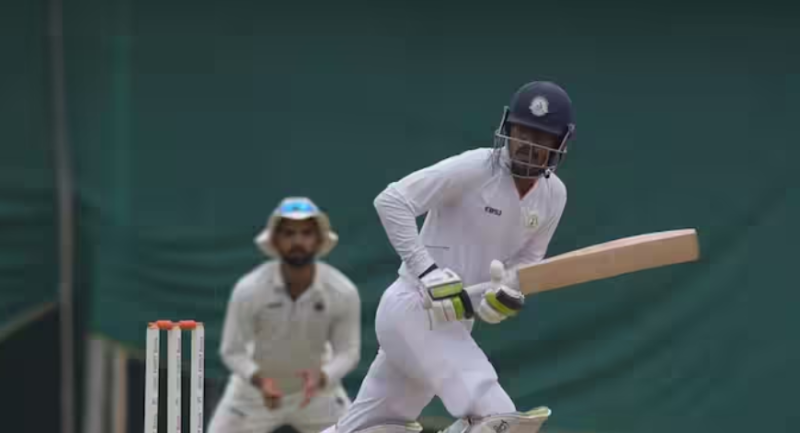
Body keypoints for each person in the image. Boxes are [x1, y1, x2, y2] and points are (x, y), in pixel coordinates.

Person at [325, 81, 577, 433]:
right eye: (523, 132)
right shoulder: (476, 168)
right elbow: (392, 201)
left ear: (560, 143)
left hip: (455, 322)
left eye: (542, 137)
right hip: (413, 307)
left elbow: (528, 260)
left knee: (372, 428)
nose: (530, 144)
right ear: (508, 129)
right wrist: (427, 271)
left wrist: (504, 292)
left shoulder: (554, 196)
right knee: (498, 419)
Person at [207, 197, 362, 433]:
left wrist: (322, 377)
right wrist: (260, 380)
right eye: (289, 233)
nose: (297, 241)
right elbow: (232, 350)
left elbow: (348, 352)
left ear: (319, 239)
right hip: (254, 393)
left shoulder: (342, 290)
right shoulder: (249, 288)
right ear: (275, 241)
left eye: (306, 233)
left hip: (317, 394)